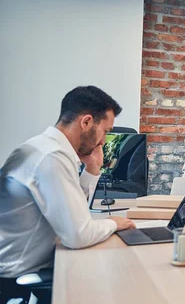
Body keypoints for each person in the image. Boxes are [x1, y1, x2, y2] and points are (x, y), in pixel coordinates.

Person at [0, 86, 136, 300]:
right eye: (106, 131)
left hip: (29, 265)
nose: (103, 141)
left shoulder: (45, 148)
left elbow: (74, 213)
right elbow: (78, 235)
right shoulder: (52, 157)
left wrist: (92, 169)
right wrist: (114, 223)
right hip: (19, 278)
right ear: (86, 122)